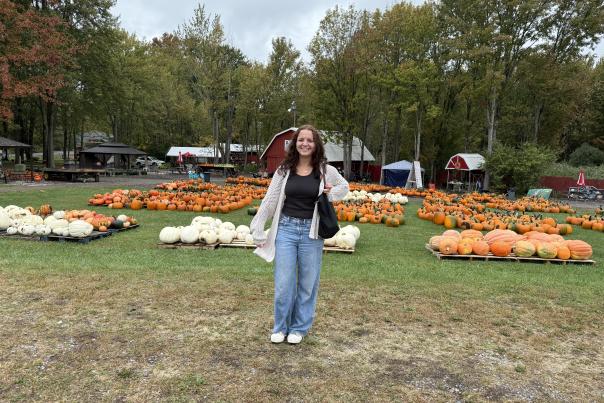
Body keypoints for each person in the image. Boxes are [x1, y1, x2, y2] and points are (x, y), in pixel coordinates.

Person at [250, 125, 349, 345]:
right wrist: (258, 227)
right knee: (284, 283)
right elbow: (270, 200)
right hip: (285, 229)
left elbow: (345, 187)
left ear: (316, 145)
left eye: (310, 140)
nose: (305, 144)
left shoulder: (325, 170)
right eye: (301, 140)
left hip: (311, 233)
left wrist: (330, 191)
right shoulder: (284, 170)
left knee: (307, 283)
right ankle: (280, 327)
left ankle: (299, 328)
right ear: (295, 143)